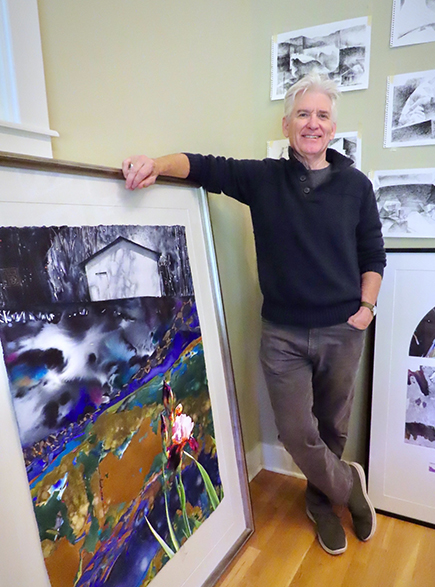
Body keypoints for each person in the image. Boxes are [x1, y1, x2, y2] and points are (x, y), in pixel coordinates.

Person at [122, 72, 386, 555]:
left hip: (342, 331)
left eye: (322, 115)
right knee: (296, 432)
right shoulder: (264, 179)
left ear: (333, 127)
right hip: (283, 335)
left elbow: (373, 254)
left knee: (333, 426)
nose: (312, 123)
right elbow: (204, 166)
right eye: (303, 114)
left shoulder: (356, 186)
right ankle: (349, 486)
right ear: (287, 125)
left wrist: (367, 307)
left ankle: (321, 503)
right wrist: (153, 163)